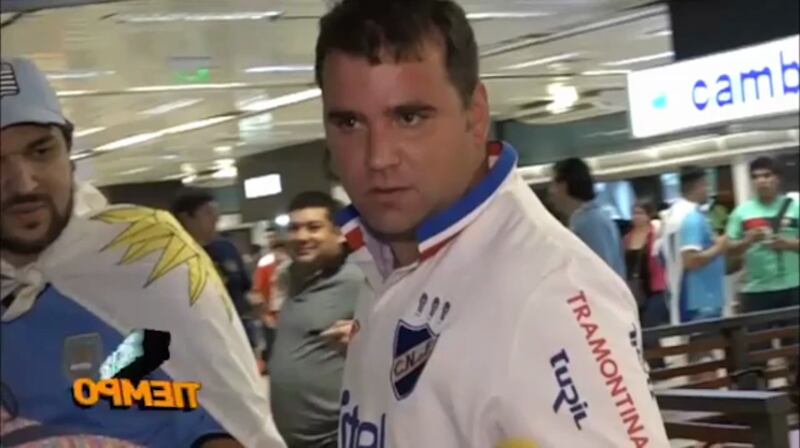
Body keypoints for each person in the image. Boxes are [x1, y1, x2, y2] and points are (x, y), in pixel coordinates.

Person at [316, 1, 669, 446]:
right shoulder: (384, 256)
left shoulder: (550, 295)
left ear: (476, 115)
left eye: (409, 117)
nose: (378, 157)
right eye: (349, 122)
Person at [0, 57, 284, 447]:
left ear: (69, 150)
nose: (23, 183)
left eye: (40, 151)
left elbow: (232, 420)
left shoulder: (148, 258)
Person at [268, 191, 362, 448]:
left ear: (339, 233)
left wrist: (368, 336)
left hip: (337, 437)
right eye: (294, 228)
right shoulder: (289, 277)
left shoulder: (360, 278)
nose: (301, 237)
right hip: (292, 439)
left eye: (313, 227)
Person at [171, 188, 266, 361]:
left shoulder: (226, 249)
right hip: (199, 344)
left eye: (216, 213)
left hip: (239, 338)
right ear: (186, 218)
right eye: (207, 213)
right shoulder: (171, 256)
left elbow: (246, 290)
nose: (216, 218)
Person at [726, 156, 799, 313]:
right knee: (757, 330)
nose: (761, 181)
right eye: (755, 177)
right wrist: (747, 241)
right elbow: (729, 249)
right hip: (756, 290)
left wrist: (788, 244)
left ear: (778, 179)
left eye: (766, 175)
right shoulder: (742, 212)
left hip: (794, 286)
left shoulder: (795, 207)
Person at [661, 166, 728, 324]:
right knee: (703, 338)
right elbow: (691, 260)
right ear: (699, 185)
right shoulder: (692, 217)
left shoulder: (673, 215)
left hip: (683, 292)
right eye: (706, 185)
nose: (708, 190)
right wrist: (720, 247)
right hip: (700, 300)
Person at [550, 158, 627, 279]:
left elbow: (602, 272)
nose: (551, 191)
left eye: (553, 184)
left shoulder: (589, 222)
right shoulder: (592, 218)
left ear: (564, 185)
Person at [624, 200, 670, 368]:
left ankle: (659, 365)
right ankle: (656, 364)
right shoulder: (627, 238)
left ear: (648, 215)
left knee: (651, 326)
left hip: (655, 287)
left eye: (640, 213)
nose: (636, 217)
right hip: (636, 289)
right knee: (641, 329)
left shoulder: (655, 233)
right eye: (634, 213)